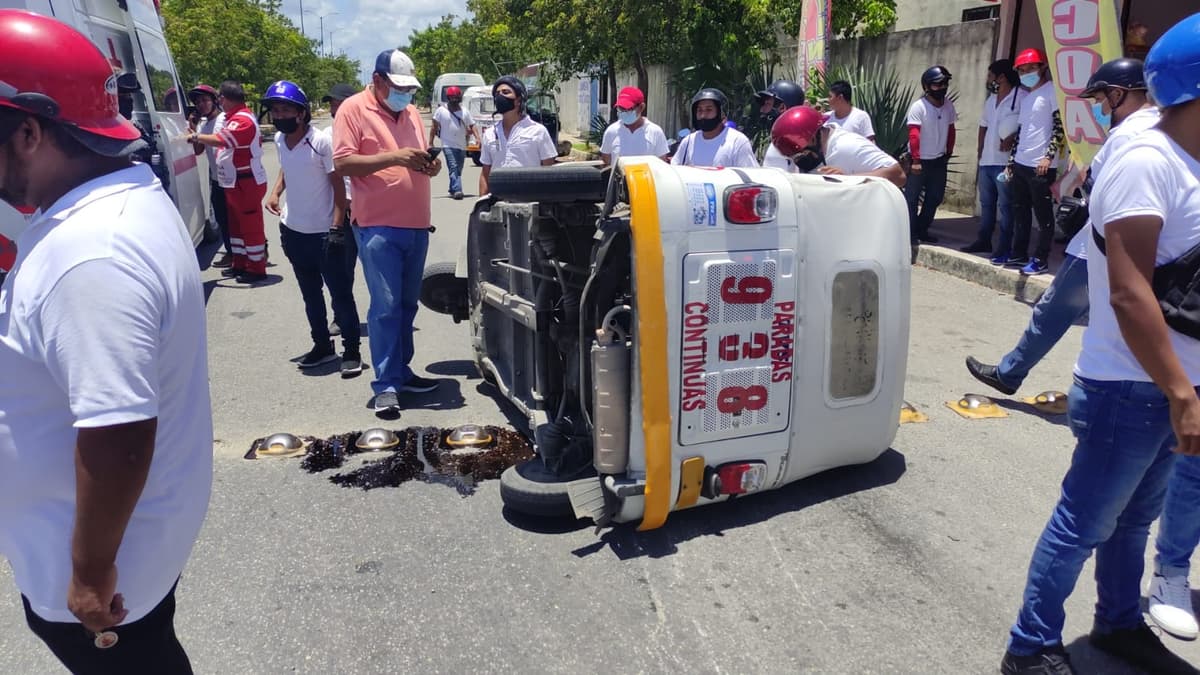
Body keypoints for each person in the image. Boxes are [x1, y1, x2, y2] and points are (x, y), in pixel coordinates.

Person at [0, 10, 212, 670]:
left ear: (29, 132)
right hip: (130, 548)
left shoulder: (90, 253)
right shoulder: (119, 198)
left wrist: (90, 573)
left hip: (107, 583)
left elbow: (118, 429)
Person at [999, 17, 1200, 674]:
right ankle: (1029, 646)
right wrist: (1179, 390)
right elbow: (1129, 291)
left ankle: (1116, 624)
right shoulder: (1149, 160)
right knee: (1082, 523)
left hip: (1173, 389)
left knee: (1134, 521)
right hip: (1132, 388)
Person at [966, 58, 1157, 397]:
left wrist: (1074, 187)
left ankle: (1010, 374)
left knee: (1052, 311)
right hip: (1133, 247)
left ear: (1117, 94)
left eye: (1100, 100)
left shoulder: (1128, 135)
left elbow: (1096, 185)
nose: (1099, 107)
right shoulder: (1161, 130)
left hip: (1096, 247)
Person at [332, 49, 442, 417]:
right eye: (398, 88)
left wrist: (430, 165)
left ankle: (402, 371)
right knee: (386, 307)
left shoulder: (410, 112)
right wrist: (396, 157)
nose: (406, 96)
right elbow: (344, 162)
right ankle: (385, 384)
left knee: (408, 305)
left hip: (416, 224)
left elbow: (417, 155)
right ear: (378, 80)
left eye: (410, 90)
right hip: (378, 225)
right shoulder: (352, 109)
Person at [262, 80, 361, 377]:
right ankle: (321, 345)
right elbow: (287, 168)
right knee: (310, 296)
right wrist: (276, 191)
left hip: (324, 233)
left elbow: (339, 189)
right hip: (294, 231)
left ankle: (352, 349)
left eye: (285, 109)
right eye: (275, 110)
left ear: (301, 113)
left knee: (341, 295)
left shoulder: (321, 143)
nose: (279, 115)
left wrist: (336, 227)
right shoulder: (281, 140)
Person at [188, 80, 269, 284]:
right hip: (233, 181)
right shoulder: (232, 117)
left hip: (246, 181)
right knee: (236, 227)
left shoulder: (242, 119)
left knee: (250, 227)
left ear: (224, 98)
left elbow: (222, 140)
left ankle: (257, 267)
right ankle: (240, 263)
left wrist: (197, 136)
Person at [1007, 48, 1065, 276]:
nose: (1026, 73)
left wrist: (1048, 156)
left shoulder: (1052, 92)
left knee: (1043, 216)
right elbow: (1021, 131)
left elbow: (1059, 127)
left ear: (1042, 68)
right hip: (1021, 162)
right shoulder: (1028, 97)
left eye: (1030, 68)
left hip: (1041, 165)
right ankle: (1019, 254)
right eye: (1022, 70)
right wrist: (1011, 161)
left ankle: (1040, 259)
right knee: (1020, 212)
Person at [965, 60, 1023, 256]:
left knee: (1006, 206)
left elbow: (1026, 126)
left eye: (991, 76)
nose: (989, 80)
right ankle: (983, 241)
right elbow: (983, 125)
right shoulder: (991, 100)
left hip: (1005, 162)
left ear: (1002, 77)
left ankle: (1004, 246)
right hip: (987, 161)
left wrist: (1013, 137)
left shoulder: (1022, 96)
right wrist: (980, 150)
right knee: (987, 205)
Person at [769, 105, 905, 188]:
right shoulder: (816, 150)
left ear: (811, 139)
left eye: (799, 155)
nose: (798, 161)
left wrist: (847, 179)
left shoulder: (848, 146)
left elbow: (898, 175)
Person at [322, 82, 360, 337]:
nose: (333, 107)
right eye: (332, 103)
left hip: (367, 209)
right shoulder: (326, 134)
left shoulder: (364, 131)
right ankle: (341, 315)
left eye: (338, 102)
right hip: (341, 212)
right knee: (341, 269)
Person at [478, 75, 557, 195]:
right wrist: (481, 205)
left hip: (530, 201)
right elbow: (485, 174)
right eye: (497, 94)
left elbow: (549, 171)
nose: (500, 96)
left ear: (518, 100)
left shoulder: (538, 131)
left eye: (505, 92)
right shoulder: (489, 134)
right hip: (498, 202)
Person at [904, 66, 957, 245]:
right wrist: (916, 160)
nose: (942, 87)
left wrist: (949, 151)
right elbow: (914, 134)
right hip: (919, 162)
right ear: (927, 86)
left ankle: (922, 229)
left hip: (939, 160)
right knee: (911, 199)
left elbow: (951, 129)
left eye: (944, 83)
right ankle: (910, 234)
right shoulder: (919, 107)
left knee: (935, 197)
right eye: (937, 84)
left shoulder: (948, 105)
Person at [187, 83, 231, 267]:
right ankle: (232, 253)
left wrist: (198, 136)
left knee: (237, 219)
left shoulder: (224, 119)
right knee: (222, 219)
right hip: (216, 178)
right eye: (198, 102)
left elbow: (222, 140)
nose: (201, 105)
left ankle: (257, 251)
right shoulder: (204, 125)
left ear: (214, 101)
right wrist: (193, 127)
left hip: (231, 178)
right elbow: (198, 151)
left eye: (205, 100)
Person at [672, 88, 758, 168]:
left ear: (722, 114)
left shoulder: (737, 141)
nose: (703, 115)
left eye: (709, 110)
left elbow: (749, 177)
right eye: (699, 110)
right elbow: (675, 171)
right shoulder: (689, 141)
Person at [115, 72, 168, 191]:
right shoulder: (105, 133)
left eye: (129, 96)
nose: (128, 101)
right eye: (122, 96)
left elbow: (150, 148)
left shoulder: (135, 125)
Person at [599, 86, 669, 166]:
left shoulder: (655, 132)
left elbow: (661, 164)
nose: (623, 112)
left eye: (628, 109)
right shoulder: (611, 131)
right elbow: (606, 159)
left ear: (641, 107)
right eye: (620, 108)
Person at [429, 85, 478, 199]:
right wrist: (430, 142)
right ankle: (457, 190)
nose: (455, 99)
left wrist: (477, 138)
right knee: (454, 166)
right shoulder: (441, 111)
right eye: (453, 97)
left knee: (458, 168)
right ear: (448, 98)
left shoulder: (465, 111)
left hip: (461, 145)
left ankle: (452, 187)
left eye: (457, 97)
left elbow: (472, 125)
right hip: (447, 144)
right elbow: (434, 127)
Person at [755, 79, 806, 171]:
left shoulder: (794, 143)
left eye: (767, 104)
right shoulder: (780, 140)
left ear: (782, 107)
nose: (762, 110)